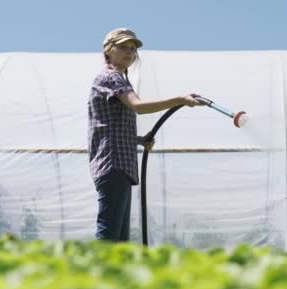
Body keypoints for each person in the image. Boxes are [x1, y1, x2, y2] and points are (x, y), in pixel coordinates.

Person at [87, 27, 203, 242]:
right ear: (108, 50)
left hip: (118, 165)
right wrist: (180, 99)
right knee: (109, 233)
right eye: (123, 47)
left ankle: (110, 274)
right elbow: (138, 107)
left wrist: (139, 141)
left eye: (132, 49)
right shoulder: (111, 77)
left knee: (119, 238)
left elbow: (109, 128)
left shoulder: (117, 79)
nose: (129, 52)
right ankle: (93, 274)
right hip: (114, 165)